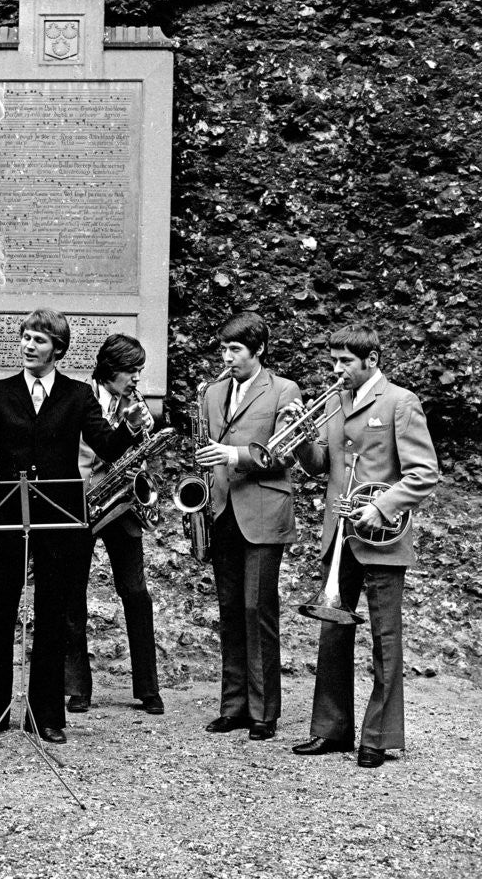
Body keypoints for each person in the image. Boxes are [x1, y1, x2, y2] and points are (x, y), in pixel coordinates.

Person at [0, 308, 150, 745]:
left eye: (38, 339)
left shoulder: (77, 395)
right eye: (25, 337)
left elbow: (106, 445)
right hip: (7, 518)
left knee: (53, 616)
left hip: (60, 520)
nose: (28, 345)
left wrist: (130, 427)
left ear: (58, 349)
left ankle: (47, 716)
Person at [290, 325, 439, 768]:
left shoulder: (400, 401)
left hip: (381, 536)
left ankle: (379, 737)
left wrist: (383, 505)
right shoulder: (335, 402)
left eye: (346, 362)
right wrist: (300, 439)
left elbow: (424, 473)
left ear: (371, 360)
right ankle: (330, 731)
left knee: (385, 639)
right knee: (333, 632)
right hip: (340, 534)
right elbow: (321, 465)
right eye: (333, 360)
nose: (337, 369)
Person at [194, 311, 301, 741]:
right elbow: (207, 450)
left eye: (235, 349)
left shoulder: (284, 390)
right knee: (230, 611)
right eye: (224, 348)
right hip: (222, 511)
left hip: (262, 512)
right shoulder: (211, 392)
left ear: (259, 350)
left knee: (258, 610)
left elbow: (286, 453)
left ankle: (263, 713)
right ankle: (234, 706)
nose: (227, 357)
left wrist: (233, 455)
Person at [66, 333, 163, 716]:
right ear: (109, 369)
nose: (137, 378)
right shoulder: (78, 397)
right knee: (73, 595)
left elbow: (140, 453)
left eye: (140, 370)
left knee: (136, 593)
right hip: (82, 504)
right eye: (131, 370)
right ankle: (77, 688)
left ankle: (148, 689)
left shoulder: (134, 403)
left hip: (122, 506)